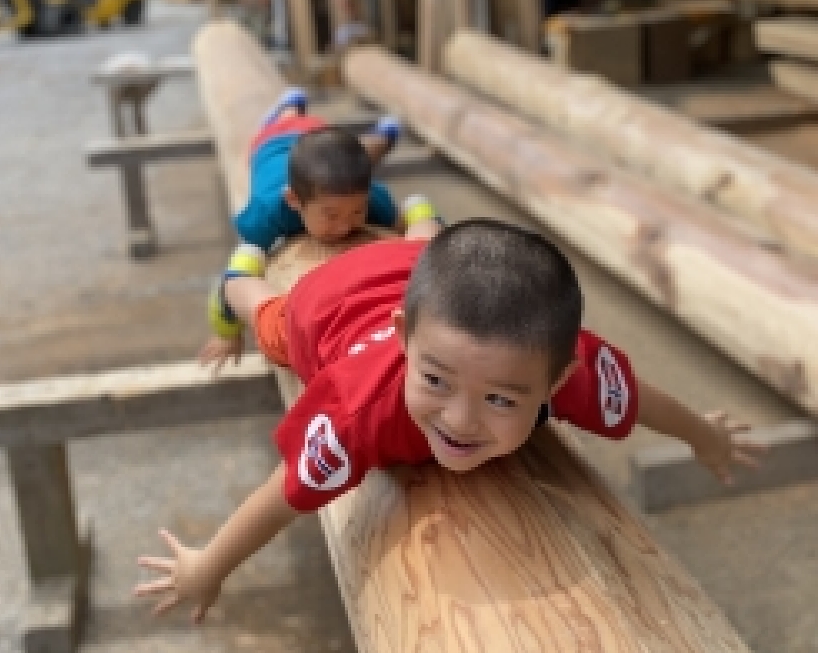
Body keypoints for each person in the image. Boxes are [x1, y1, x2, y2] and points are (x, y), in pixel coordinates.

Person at [139, 219, 761, 622]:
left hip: (417, 266)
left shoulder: (560, 360)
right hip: (326, 303)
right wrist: (207, 566)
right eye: (434, 382)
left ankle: (423, 233)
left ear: (558, 382)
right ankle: (232, 288)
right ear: (403, 342)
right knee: (272, 320)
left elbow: (643, 399)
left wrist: (706, 437)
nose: (460, 421)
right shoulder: (359, 408)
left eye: (501, 400)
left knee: (440, 255)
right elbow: (284, 494)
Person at [200, 86, 440, 369]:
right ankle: (290, 108)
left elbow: (414, 218)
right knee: (320, 135)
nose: (345, 226)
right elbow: (233, 279)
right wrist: (228, 332)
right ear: (294, 201)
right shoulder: (266, 214)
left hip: (322, 138)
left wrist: (422, 221)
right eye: (330, 215)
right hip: (271, 143)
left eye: (357, 211)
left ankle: (383, 135)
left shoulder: (375, 200)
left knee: (363, 156)